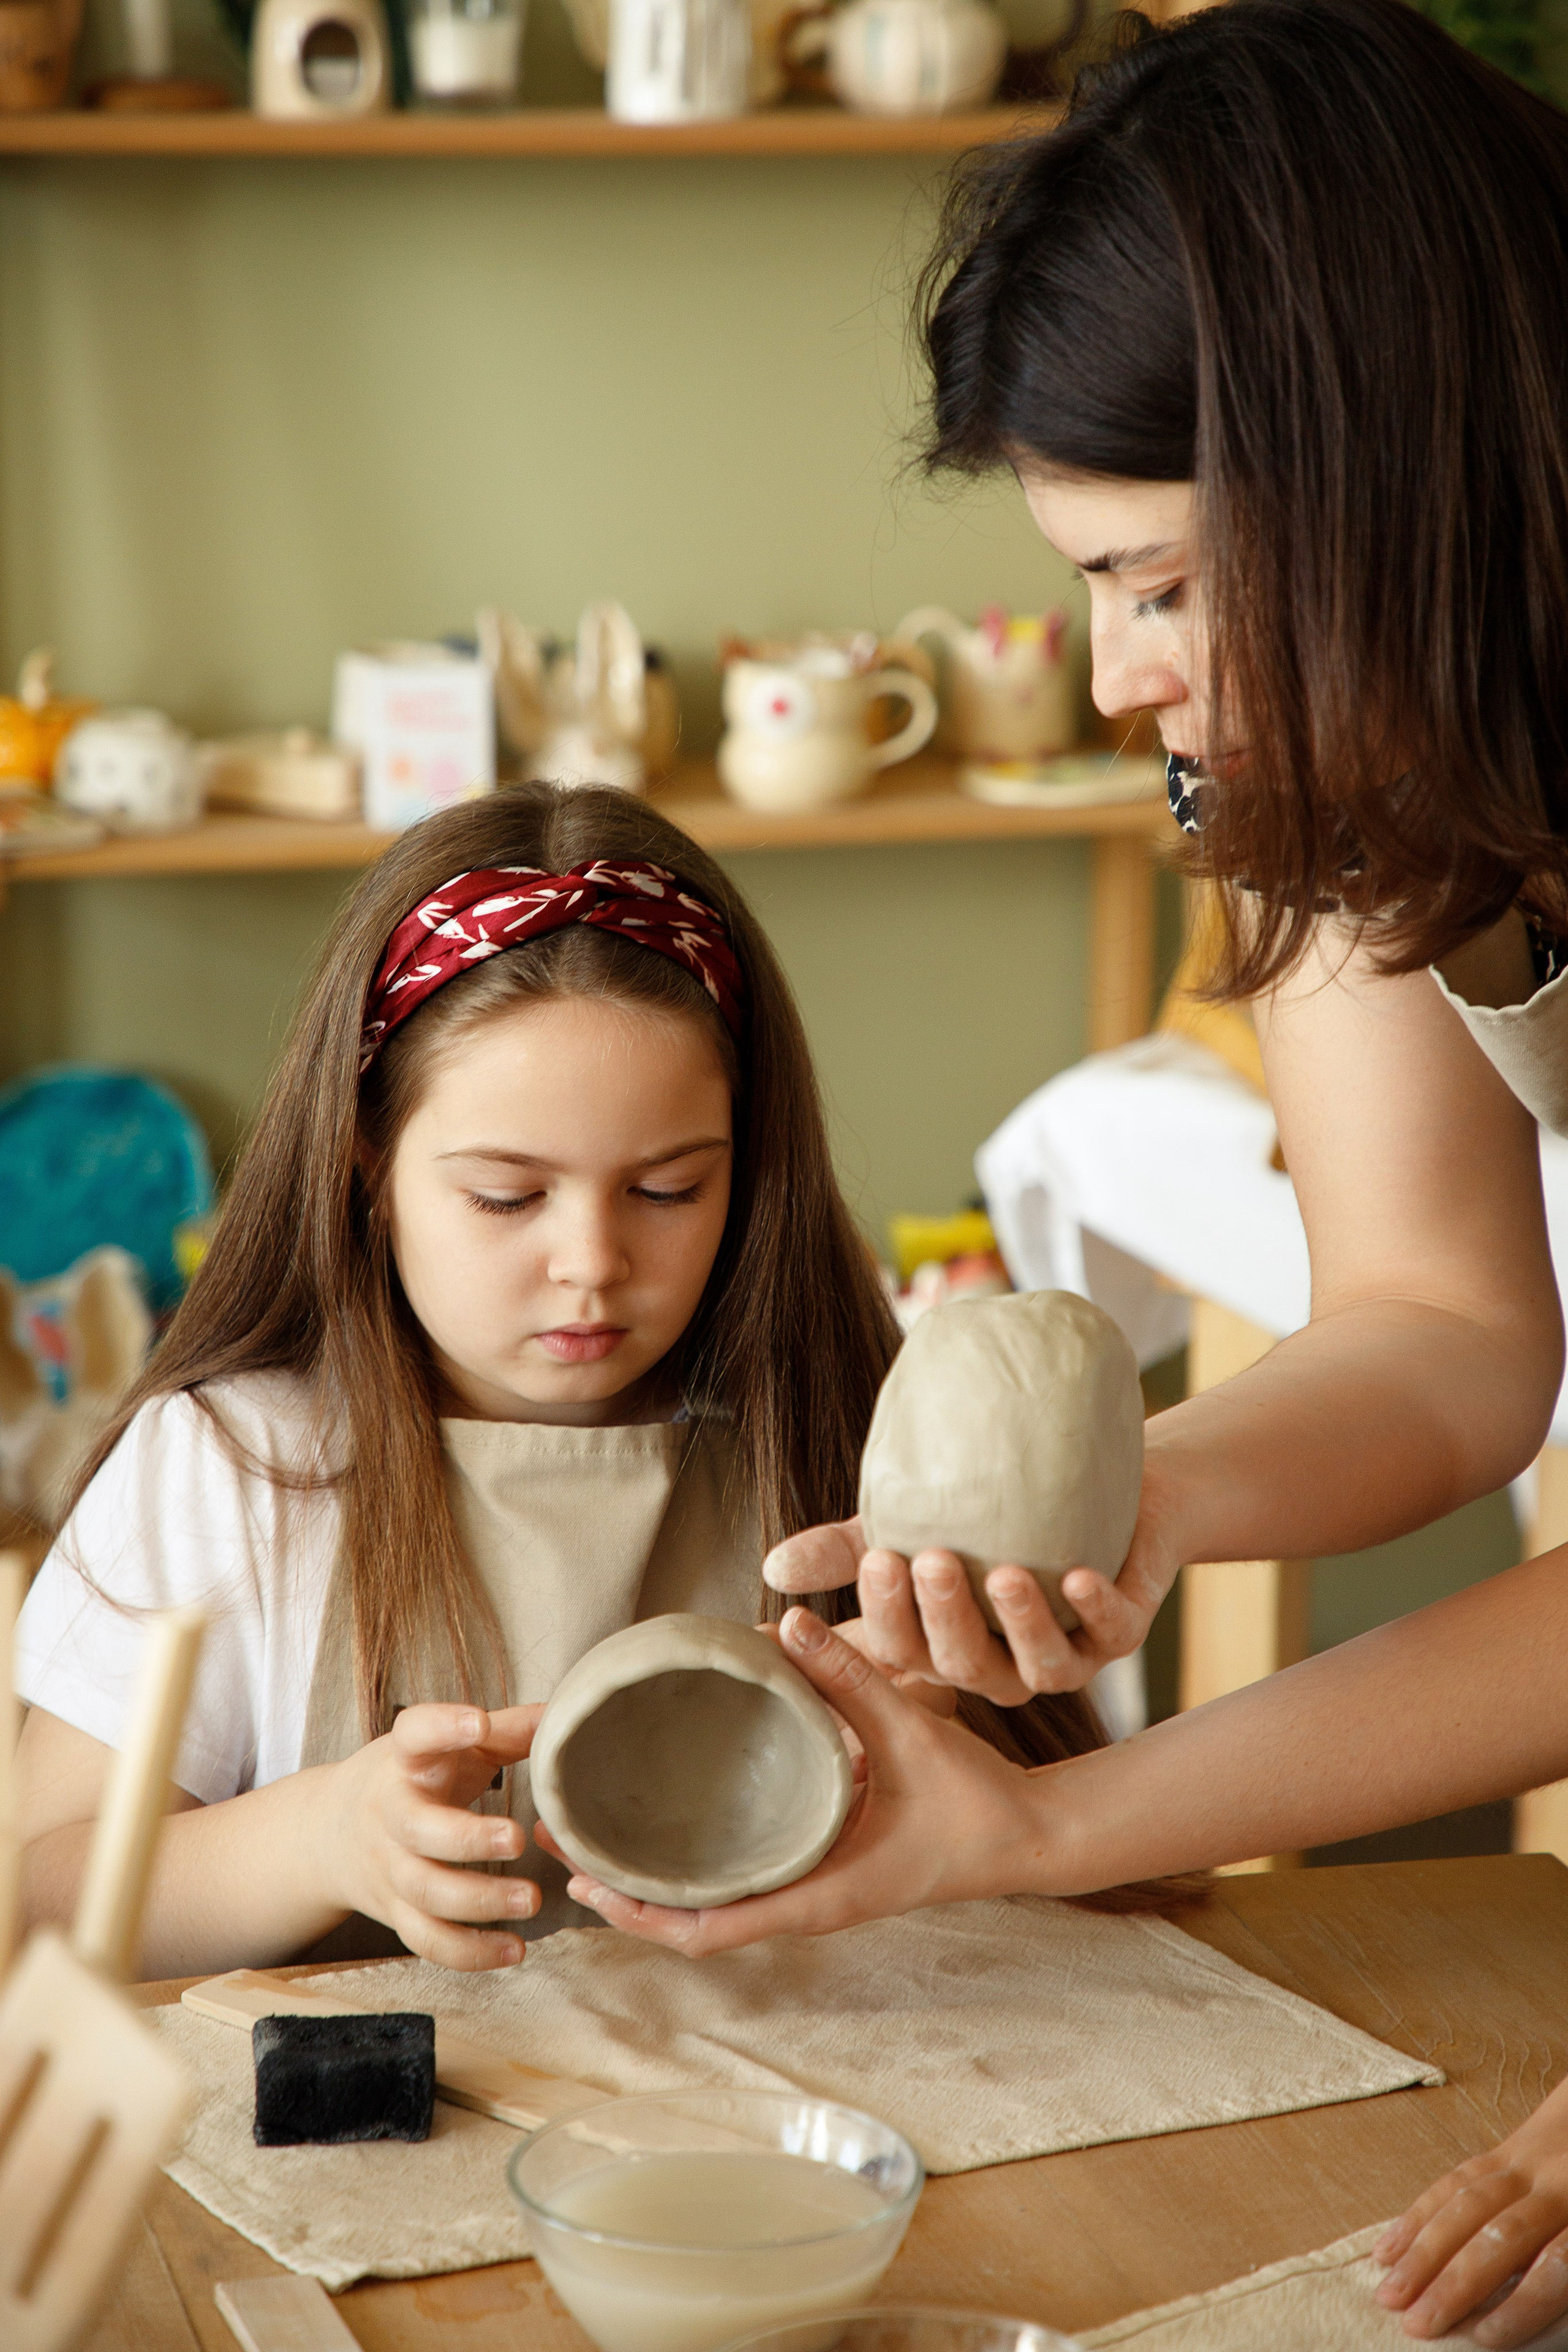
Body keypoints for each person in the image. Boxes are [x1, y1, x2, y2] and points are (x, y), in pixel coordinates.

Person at [549, 6, 1568, 2342]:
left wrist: (1069, 1825)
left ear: (1389, 486)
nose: (1120, 683)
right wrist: (1140, 1500)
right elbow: (1446, 1326)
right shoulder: (1332, 751)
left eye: (1162, 582)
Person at [14, 782, 1125, 1980]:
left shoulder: (829, 1438)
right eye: (506, 1196)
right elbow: (36, 1901)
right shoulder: (235, 1468)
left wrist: (936, 1753)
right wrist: (318, 1843)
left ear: (749, 1172)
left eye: (667, 1191)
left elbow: (1034, 1867)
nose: (591, 1265)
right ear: (365, 1166)